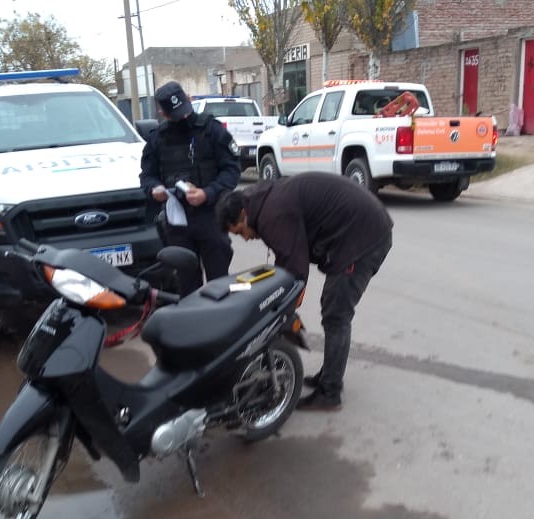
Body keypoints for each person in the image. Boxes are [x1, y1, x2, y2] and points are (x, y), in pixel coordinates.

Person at [216, 172, 393, 411]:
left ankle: (330, 393)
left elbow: (295, 272)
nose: (245, 239)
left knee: (336, 315)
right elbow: (285, 258)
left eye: (239, 232)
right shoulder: (262, 204)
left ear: (243, 214)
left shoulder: (272, 215)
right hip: (357, 228)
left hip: (363, 239)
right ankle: (328, 375)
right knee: (332, 310)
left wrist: (279, 313)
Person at [140, 81, 241, 294]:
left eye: (184, 110)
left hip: (211, 217)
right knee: (186, 287)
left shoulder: (212, 130)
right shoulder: (157, 139)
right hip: (177, 223)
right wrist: (154, 189)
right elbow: (147, 176)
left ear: (188, 98)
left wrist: (208, 193)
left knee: (220, 286)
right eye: (176, 115)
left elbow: (232, 170)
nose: (184, 117)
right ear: (163, 113)